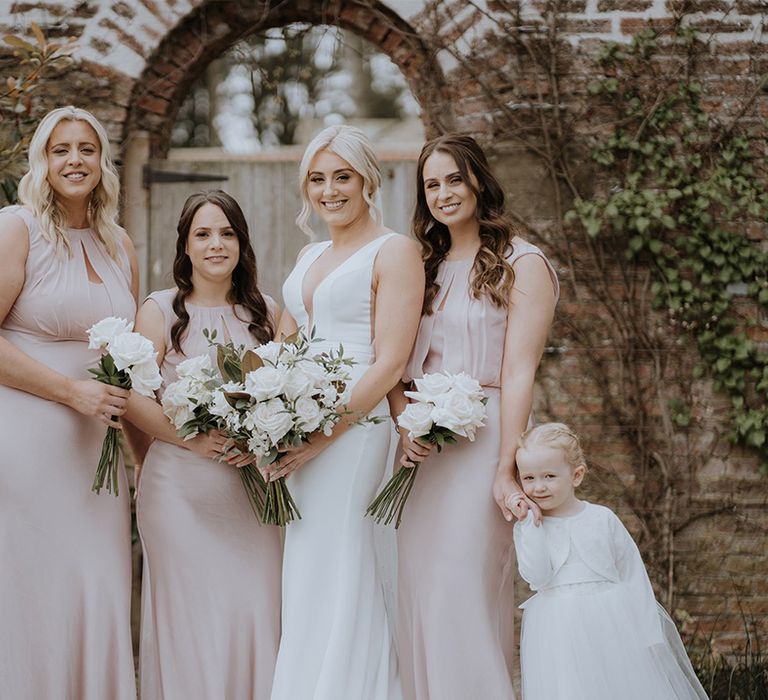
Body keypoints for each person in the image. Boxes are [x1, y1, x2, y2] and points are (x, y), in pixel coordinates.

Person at [389, 133, 558, 699]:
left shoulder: (522, 263)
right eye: (431, 185)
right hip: (420, 451)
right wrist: (402, 424)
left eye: (453, 179)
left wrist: (506, 467)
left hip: (484, 439)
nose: (442, 194)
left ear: (479, 180)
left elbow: (518, 374)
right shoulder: (421, 265)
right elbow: (395, 365)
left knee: (461, 589)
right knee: (419, 590)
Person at [267, 125, 424, 700]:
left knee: (347, 561)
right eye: (317, 179)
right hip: (301, 423)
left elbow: (389, 363)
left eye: (342, 177)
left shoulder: (395, 251)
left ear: (367, 182)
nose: (329, 190)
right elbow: (287, 339)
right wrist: (264, 412)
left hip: (355, 429)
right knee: (307, 568)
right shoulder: (311, 253)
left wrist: (322, 435)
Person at [0, 106, 138, 698]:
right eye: (61, 149)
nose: (75, 160)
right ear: (42, 160)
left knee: (99, 577)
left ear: (101, 160)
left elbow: (134, 358)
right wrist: (70, 392)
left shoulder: (119, 242)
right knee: (34, 583)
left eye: (87, 148)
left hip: (98, 454)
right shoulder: (17, 227)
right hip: (27, 442)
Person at [124, 190, 283, 699]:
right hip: (179, 492)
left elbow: (298, 398)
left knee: (256, 608)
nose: (217, 244)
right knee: (189, 620)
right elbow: (132, 399)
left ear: (242, 243)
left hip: (252, 494)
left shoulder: (269, 315)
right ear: (186, 247)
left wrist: (263, 441)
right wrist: (194, 441)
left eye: (227, 233)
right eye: (204, 234)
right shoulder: (160, 310)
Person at [513, 422, 709, 700]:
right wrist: (531, 526)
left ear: (576, 476)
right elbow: (537, 577)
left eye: (549, 476)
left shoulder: (602, 518)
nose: (539, 487)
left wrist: (650, 634)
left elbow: (632, 573)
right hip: (558, 627)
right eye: (529, 478)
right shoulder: (529, 526)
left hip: (611, 622)